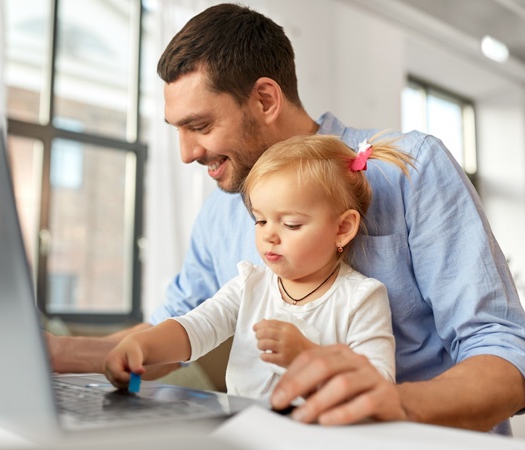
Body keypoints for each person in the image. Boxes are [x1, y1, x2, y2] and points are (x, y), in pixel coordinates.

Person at [47, 3, 525, 433]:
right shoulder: (220, 211)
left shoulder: (408, 169)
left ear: (266, 99)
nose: (188, 153)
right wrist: (55, 353)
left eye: (201, 125)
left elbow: (505, 351)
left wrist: (396, 404)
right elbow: (173, 331)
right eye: (180, 130)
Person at [104, 134, 412, 399]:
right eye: (261, 220)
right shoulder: (249, 285)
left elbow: (380, 386)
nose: (268, 235)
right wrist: (142, 346)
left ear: (342, 228)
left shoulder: (361, 298)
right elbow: (195, 328)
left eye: (291, 224)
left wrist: (308, 354)